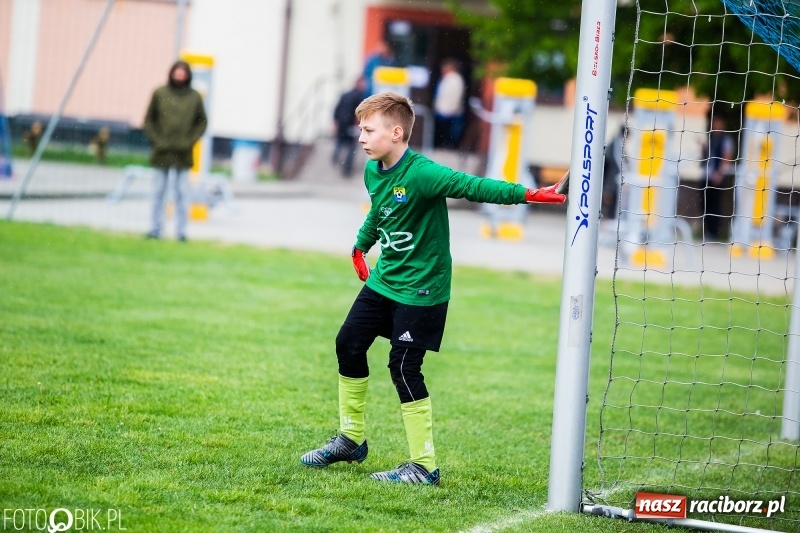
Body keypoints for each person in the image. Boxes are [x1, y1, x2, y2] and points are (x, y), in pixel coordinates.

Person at [300, 92, 566, 485]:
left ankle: (423, 467)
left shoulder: (423, 173)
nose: (360, 137)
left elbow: (473, 185)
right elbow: (381, 210)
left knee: (404, 367)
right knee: (348, 343)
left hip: (423, 288)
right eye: (359, 129)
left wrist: (529, 194)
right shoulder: (374, 169)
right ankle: (350, 440)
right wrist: (360, 245)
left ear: (395, 132)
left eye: (368, 129)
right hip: (386, 280)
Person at [143, 60, 208, 241]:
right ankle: (155, 229)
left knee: (182, 194)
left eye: (183, 73)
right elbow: (149, 120)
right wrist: (158, 140)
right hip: (162, 152)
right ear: (171, 73)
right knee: (158, 192)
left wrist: (189, 141)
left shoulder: (194, 97)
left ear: (187, 75)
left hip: (183, 153)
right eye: (177, 72)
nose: (179, 76)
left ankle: (181, 232)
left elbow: (201, 122)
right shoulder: (160, 93)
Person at [702, 113, 735, 241]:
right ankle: (708, 231)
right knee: (705, 203)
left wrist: (720, 173)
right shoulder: (711, 137)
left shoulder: (725, 139)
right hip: (707, 175)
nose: (716, 125)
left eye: (718, 123)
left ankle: (714, 232)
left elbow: (727, 156)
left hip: (717, 176)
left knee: (715, 204)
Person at [332, 77, 366, 177]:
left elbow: (337, 108)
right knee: (352, 146)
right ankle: (347, 169)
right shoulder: (359, 96)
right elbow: (358, 112)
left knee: (340, 141)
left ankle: (335, 156)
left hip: (342, 123)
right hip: (351, 124)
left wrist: (336, 119)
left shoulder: (345, 94)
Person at [433, 59, 466, 149]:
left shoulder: (455, 79)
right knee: (445, 131)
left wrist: (449, 110)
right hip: (444, 110)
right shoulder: (446, 79)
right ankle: (445, 145)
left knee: (450, 132)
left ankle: (449, 146)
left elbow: (455, 96)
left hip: (450, 111)